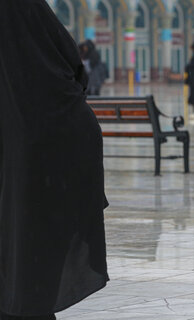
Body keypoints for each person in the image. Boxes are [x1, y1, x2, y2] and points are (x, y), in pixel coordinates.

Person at [0, 1, 109, 319]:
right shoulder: (53, 89)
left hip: (32, 162)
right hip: (62, 158)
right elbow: (73, 64)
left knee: (16, 252)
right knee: (36, 261)